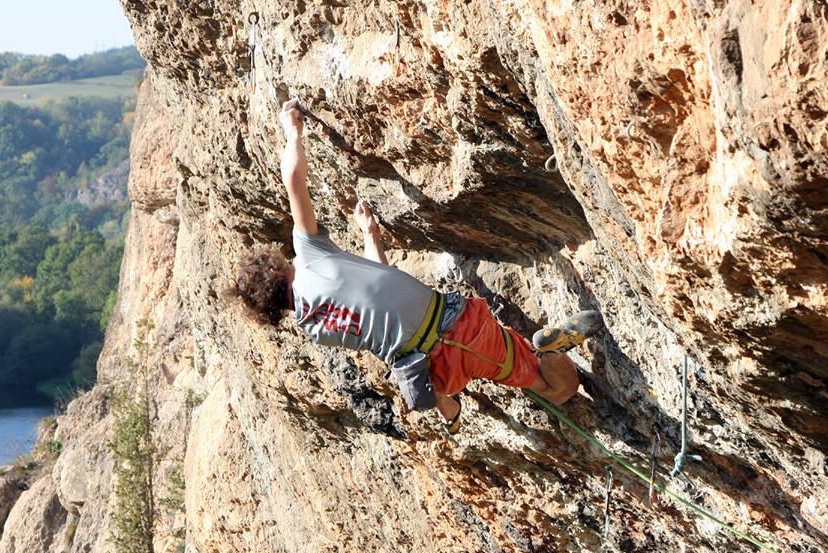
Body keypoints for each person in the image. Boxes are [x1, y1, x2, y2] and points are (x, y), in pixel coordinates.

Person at [237, 100, 603, 433]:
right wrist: (292, 131)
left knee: (554, 391)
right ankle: (533, 355)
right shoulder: (308, 253)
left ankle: (539, 355)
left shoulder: (314, 327)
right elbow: (294, 181)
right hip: (458, 323)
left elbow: (376, 308)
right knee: (539, 379)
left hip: (442, 360)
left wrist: (372, 239)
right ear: (273, 265)